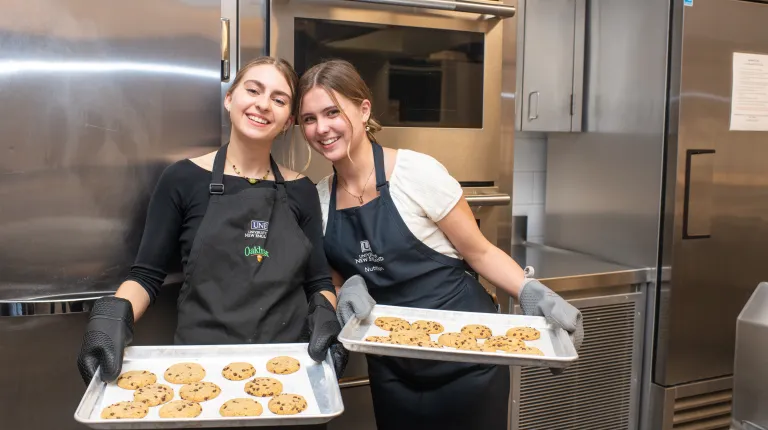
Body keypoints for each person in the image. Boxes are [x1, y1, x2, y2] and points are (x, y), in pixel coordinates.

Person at [297, 59, 584, 430]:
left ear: (364, 109)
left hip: (469, 361)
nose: (322, 128)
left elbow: (478, 251)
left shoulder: (416, 173)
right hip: (393, 366)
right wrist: (347, 287)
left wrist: (532, 291)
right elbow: (333, 279)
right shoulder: (320, 200)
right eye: (308, 118)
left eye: (332, 112)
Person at [76, 57, 346, 412]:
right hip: (201, 368)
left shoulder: (301, 190)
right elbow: (145, 275)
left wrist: (326, 315)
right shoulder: (183, 179)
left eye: (279, 100)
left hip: (289, 367)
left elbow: (317, 283)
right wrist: (111, 316)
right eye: (253, 90)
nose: (263, 104)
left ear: (288, 122)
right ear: (230, 98)